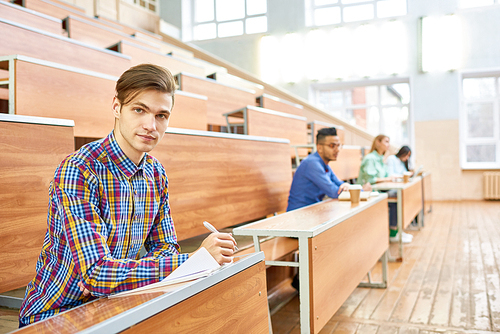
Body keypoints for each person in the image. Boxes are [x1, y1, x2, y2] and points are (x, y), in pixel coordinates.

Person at [19, 64, 237, 327]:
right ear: (116, 107)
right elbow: (97, 274)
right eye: (139, 110)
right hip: (57, 314)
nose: (150, 125)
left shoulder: (156, 173)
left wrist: (112, 279)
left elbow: (165, 249)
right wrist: (195, 260)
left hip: (119, 300)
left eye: (161, 116)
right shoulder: (79, 170)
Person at [357, 135, 412, 243]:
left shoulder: (381, 159)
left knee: (402, 193)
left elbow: (387, 177)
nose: (388, 144)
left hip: (380, 190)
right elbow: (371, 180)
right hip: (369, 192)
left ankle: (397, 230)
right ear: (378, 142)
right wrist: (389, 178)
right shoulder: (370, 158)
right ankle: (393, 232)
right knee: (397, 195)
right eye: (386, 141)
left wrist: (391, 178)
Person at [287, 127, 355, 211]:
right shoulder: (312, 163)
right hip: (298, 214)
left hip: (312, 211)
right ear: (319, 148)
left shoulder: (324, 165)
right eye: (332, 146)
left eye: (338, 146)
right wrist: (354, 190)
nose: (337, 150)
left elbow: (339, 184)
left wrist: (348, 186)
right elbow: (334, 192)